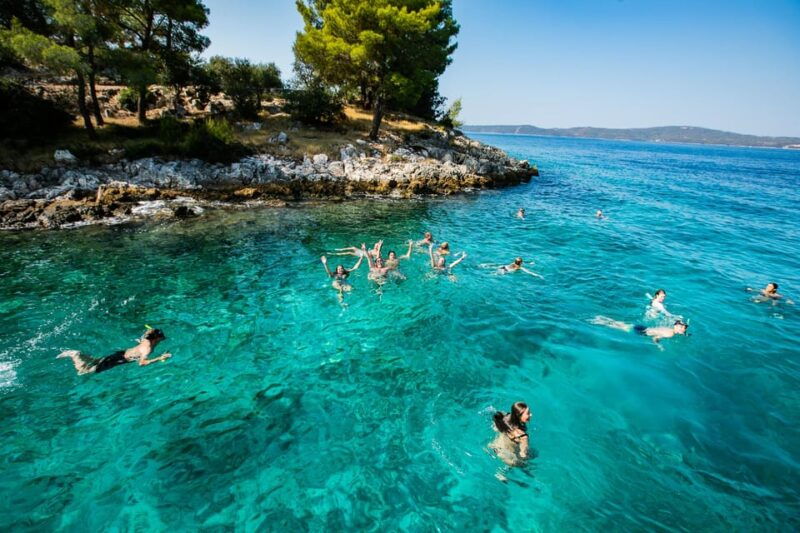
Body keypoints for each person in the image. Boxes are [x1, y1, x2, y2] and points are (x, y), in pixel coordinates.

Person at [57, 328, 171, 375]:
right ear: (156, 338)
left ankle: (80, 355)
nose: (162, 340)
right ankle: (75, 355)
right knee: (84, 372)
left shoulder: (146, 338)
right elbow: (142, 363)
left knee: (97, 360)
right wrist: (159, 358)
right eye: (161, 339)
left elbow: (147, 332)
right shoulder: (148, 349)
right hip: (121, 359)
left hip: (121, 353)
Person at [591, 316, 689, 343]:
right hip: (642, 332)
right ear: (677, 327)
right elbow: (655, 338)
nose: (683, 331)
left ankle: (602, 318)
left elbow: (678, 324)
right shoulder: (670, 334)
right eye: (683, 329)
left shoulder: (670, 328)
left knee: (621, 324)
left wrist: (683, 330)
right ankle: (600, 322)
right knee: (618, 327)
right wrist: (659, 346)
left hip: (643, 327)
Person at [490, 402, 531, 467]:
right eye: (528, 413)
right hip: (505, 455)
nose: (531, 415)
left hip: (494, 446)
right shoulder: (523, 436)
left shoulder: (505, 418)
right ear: (519, 415)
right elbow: (523, 454)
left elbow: (495, 425)